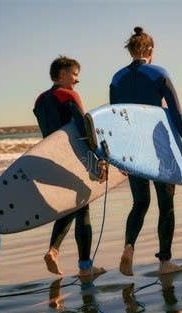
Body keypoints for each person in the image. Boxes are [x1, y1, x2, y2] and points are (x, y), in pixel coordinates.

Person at [109, 26, 182, 276]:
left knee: (140, 202)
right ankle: (165, 261)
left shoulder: (117, 78)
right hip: (159, 148)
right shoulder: (159, 73)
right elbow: (176, 113)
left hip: (132, 148)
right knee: (166, 204)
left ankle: (129, 246)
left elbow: (115, 119)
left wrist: (118, 156)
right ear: (149, 50)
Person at [33, 56, 106, 277]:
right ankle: (83, 266)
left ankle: (56, 251)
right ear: (62, 73)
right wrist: (98, 158)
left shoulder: (40, 101)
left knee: (73, 206)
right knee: (82, 207)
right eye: (74, 74)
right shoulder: (68, 95)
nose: (77, 80)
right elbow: (84, 129)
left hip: (51, 159)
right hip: (73, 159)